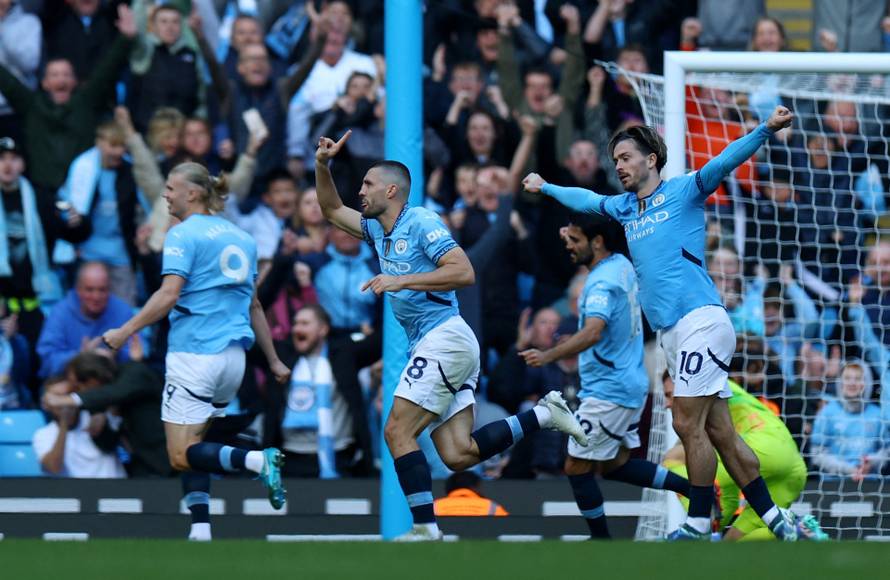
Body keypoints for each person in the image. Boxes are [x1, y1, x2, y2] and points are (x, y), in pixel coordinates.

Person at [522, 105, 815, 541]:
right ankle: (777, 521)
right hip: (673, 333)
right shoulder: (625, 207)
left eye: (626, 157)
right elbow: (585, 199)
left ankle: (696, 523)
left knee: (684, 423)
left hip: (701, 321)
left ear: (651, 159)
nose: (619, 166)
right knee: (720, 432)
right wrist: (546, 187)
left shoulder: (683, 191)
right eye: (616, 160)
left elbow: (725, 160)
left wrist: (765, 129)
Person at [314, 130, 586, 541]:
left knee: (397, 432)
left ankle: (425, 528)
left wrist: (402, 281)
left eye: (368, 184)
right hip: (439, 343)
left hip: (445, 338)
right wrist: (322, 165)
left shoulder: (421, 221)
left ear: (391, 190)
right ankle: (543, 415)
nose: (360, 191)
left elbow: (464, 272)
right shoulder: (377, 229)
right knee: (459, 454)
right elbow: (332, 208)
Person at [101, 162, 291, 541]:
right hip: (233, 360)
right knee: (198, 443)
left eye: (171, 188)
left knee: (178, 454)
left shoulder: (182, 234)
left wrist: (125, 330)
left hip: (195, 354)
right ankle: (201, 528)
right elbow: (254, 305)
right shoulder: (243, 237)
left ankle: (256, 460)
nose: (165, 195)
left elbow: (169, 294)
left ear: (193, 193)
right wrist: (273, 360)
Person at [520, 214, 690, 539]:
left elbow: (593, 331)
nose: (569, 246)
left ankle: (601, 540)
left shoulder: (601, 283)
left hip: (609, 391)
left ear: (597, 242)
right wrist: (572, 229)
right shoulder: (622, 264)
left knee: (575, 465)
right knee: (616, 465)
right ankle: (693, 490)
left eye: (575, 240)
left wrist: (548, 355)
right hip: (628, 382)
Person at [663, 374, 828, 541]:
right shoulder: (718, 388)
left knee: (673, 458)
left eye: (669, 395)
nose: (666, 404)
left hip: (760, 446)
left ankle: (700, 519)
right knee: (734, 544)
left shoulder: (703, 380)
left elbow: (692, 440)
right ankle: (801, 530)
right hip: (793, 464)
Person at [434, 470, 508, 517]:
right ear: (475, 487)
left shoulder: (434, 506)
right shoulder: (492, 506)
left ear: (448, 488)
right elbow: (509, 530)